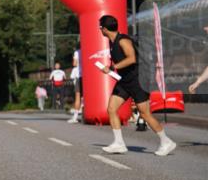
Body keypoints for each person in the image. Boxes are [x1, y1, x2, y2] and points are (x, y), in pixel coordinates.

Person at [98, 15, 176, 156]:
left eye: (100, 28)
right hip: (124, 81)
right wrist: (111, 67)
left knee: (145, 114)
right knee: (111, 109)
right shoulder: (112, 41)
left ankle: (166, 142)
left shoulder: (123, 40)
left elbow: (132, 58)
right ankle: (119, 143)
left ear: (104, 29)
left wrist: (112, 68)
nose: (99, 30)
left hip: (138, 80)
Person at [68, 46, 83, 123]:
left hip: (80, 75)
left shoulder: (77, 52)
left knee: (78, 97)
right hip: (89, 76)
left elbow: (75, 64)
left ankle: (75, 117)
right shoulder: (90, 50)